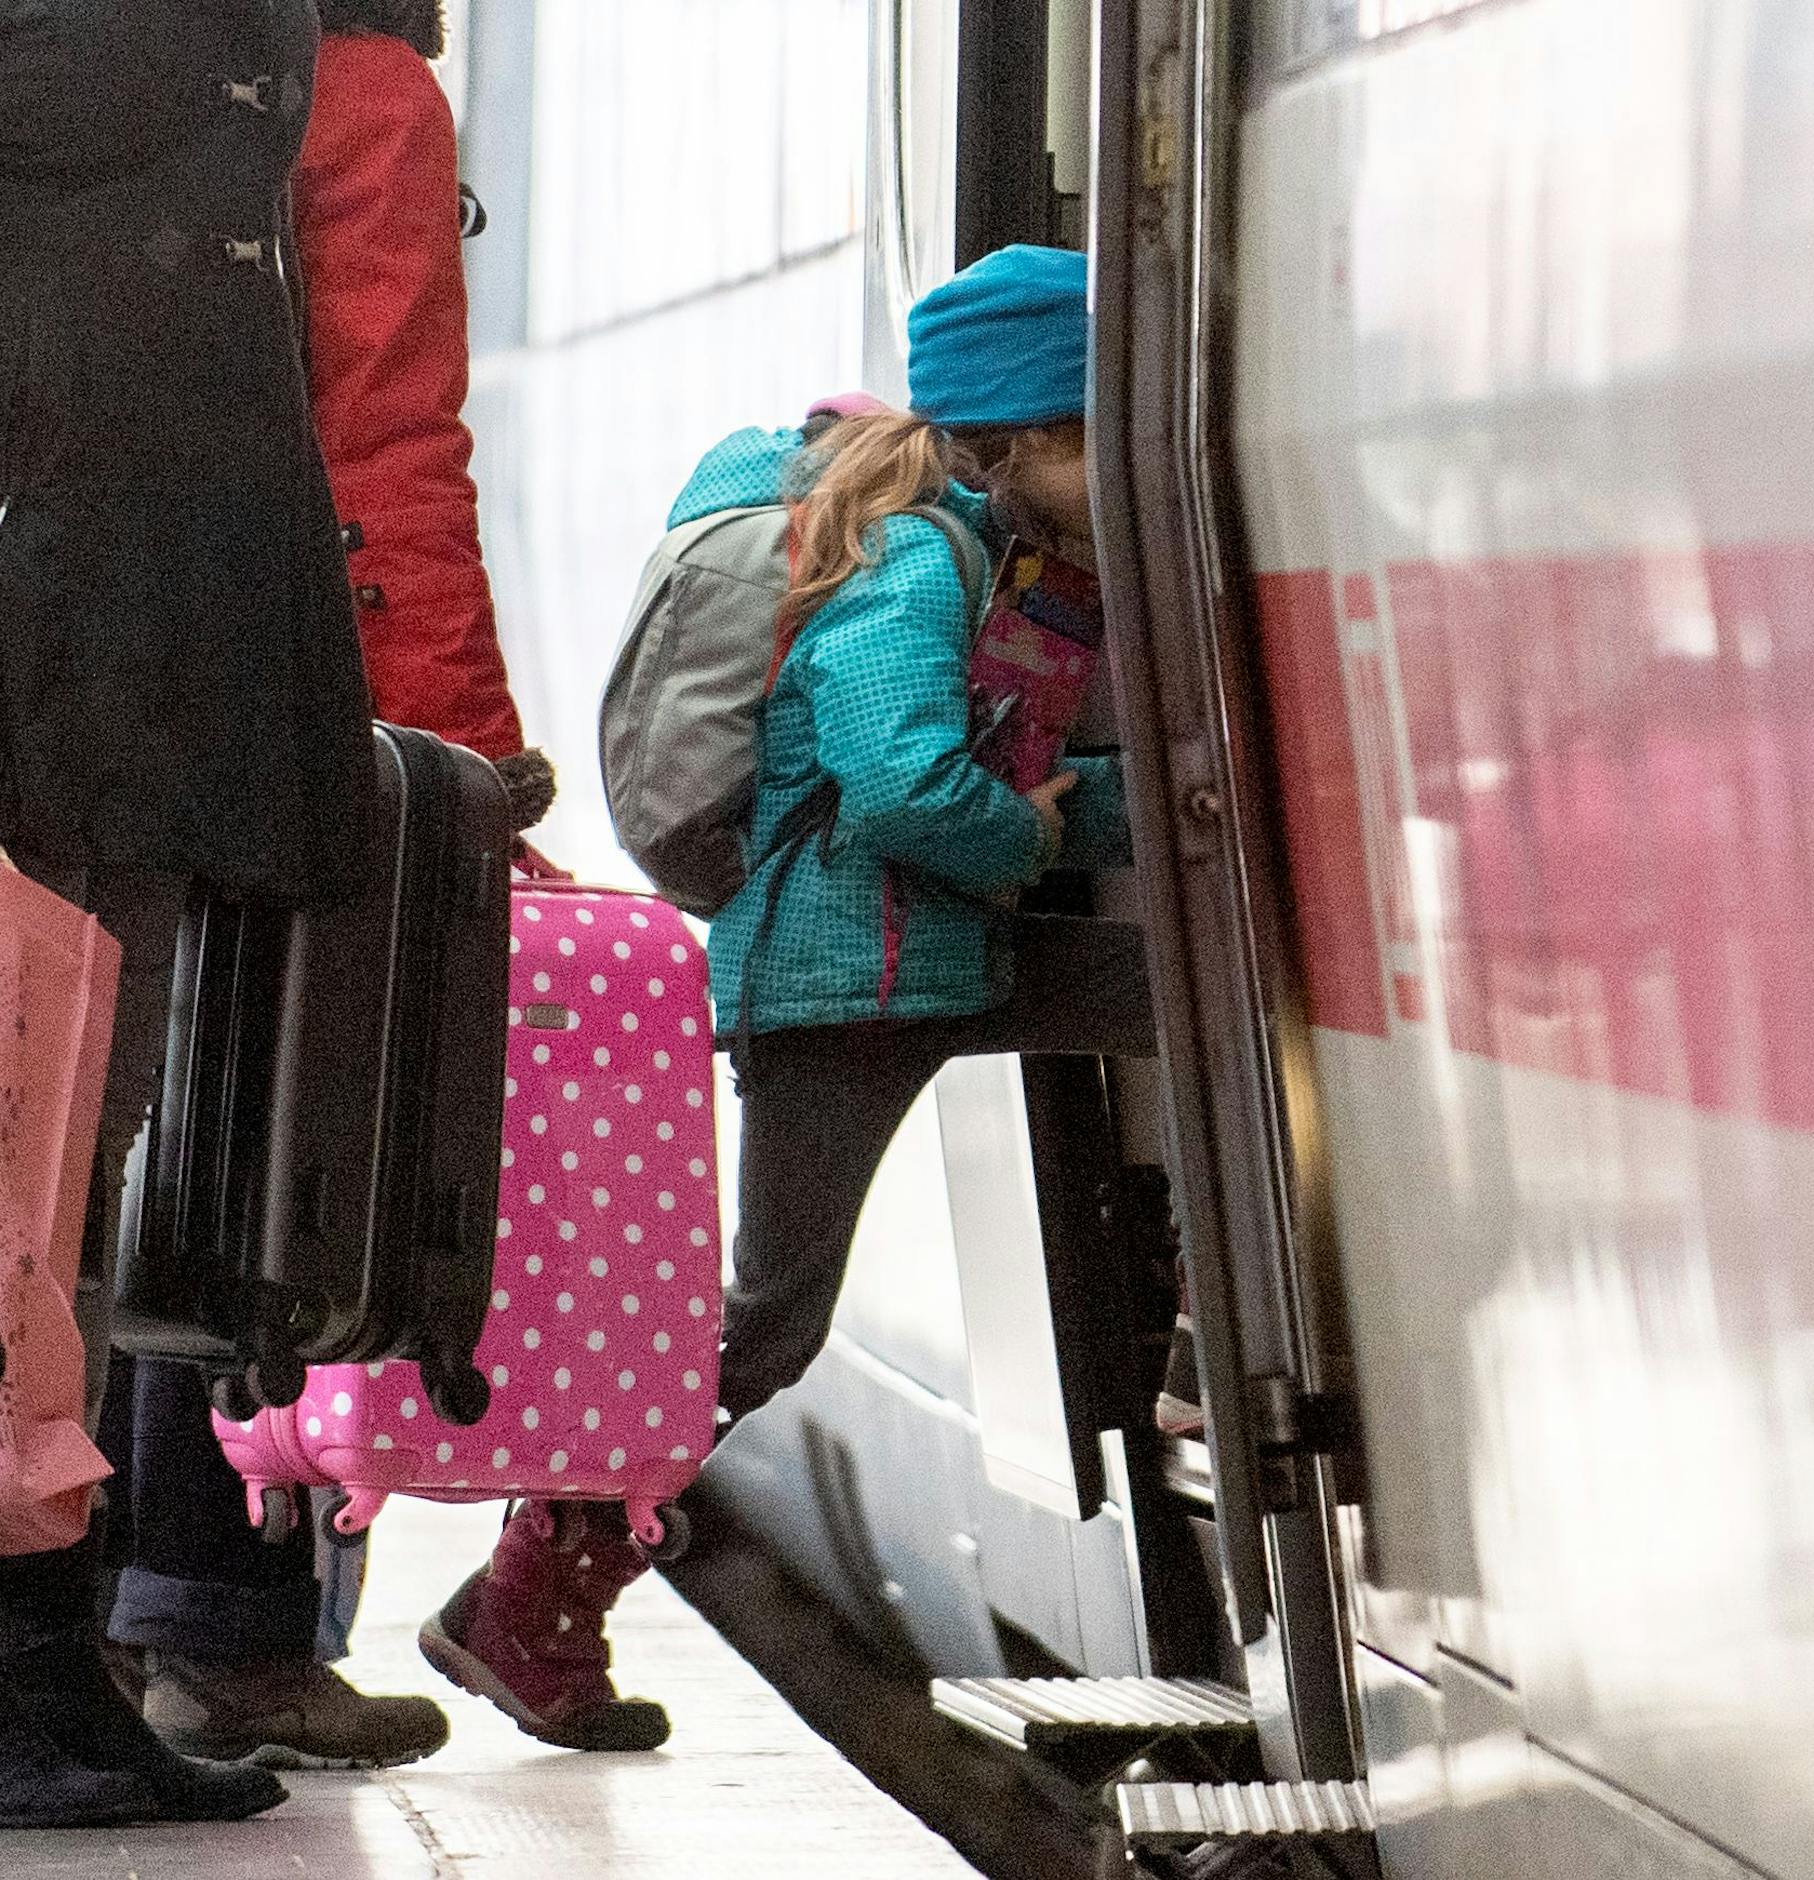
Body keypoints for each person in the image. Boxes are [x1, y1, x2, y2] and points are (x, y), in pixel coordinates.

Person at [418, 244, 1153, 1750]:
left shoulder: (986, 551)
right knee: (763, 1322)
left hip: (929, 958)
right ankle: (527, 1599)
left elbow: (1000, 772)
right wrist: (1027, 839)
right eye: (1095, 435)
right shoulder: (913, 561)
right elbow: (902, 785)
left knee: (1179, 1009)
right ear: (1015, 445)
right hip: (837, 983)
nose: (1123, 464)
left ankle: (1202, 1307)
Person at [97, 0, 554, 1773]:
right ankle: (225, 1629)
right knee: (270, 1147)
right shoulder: (353, 87)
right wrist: (461, 751)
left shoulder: (93, 62)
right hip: (270, 685)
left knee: (102, 1148)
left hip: (81, 668)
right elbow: (383, 442)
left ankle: (105, 1620)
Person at [0, 0, 378, 1829]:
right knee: (35, 1195)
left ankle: (43, 1663)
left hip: (137, 683)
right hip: (77, 685)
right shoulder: (115, 58)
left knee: (60, 1202)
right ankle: (28, 1681)